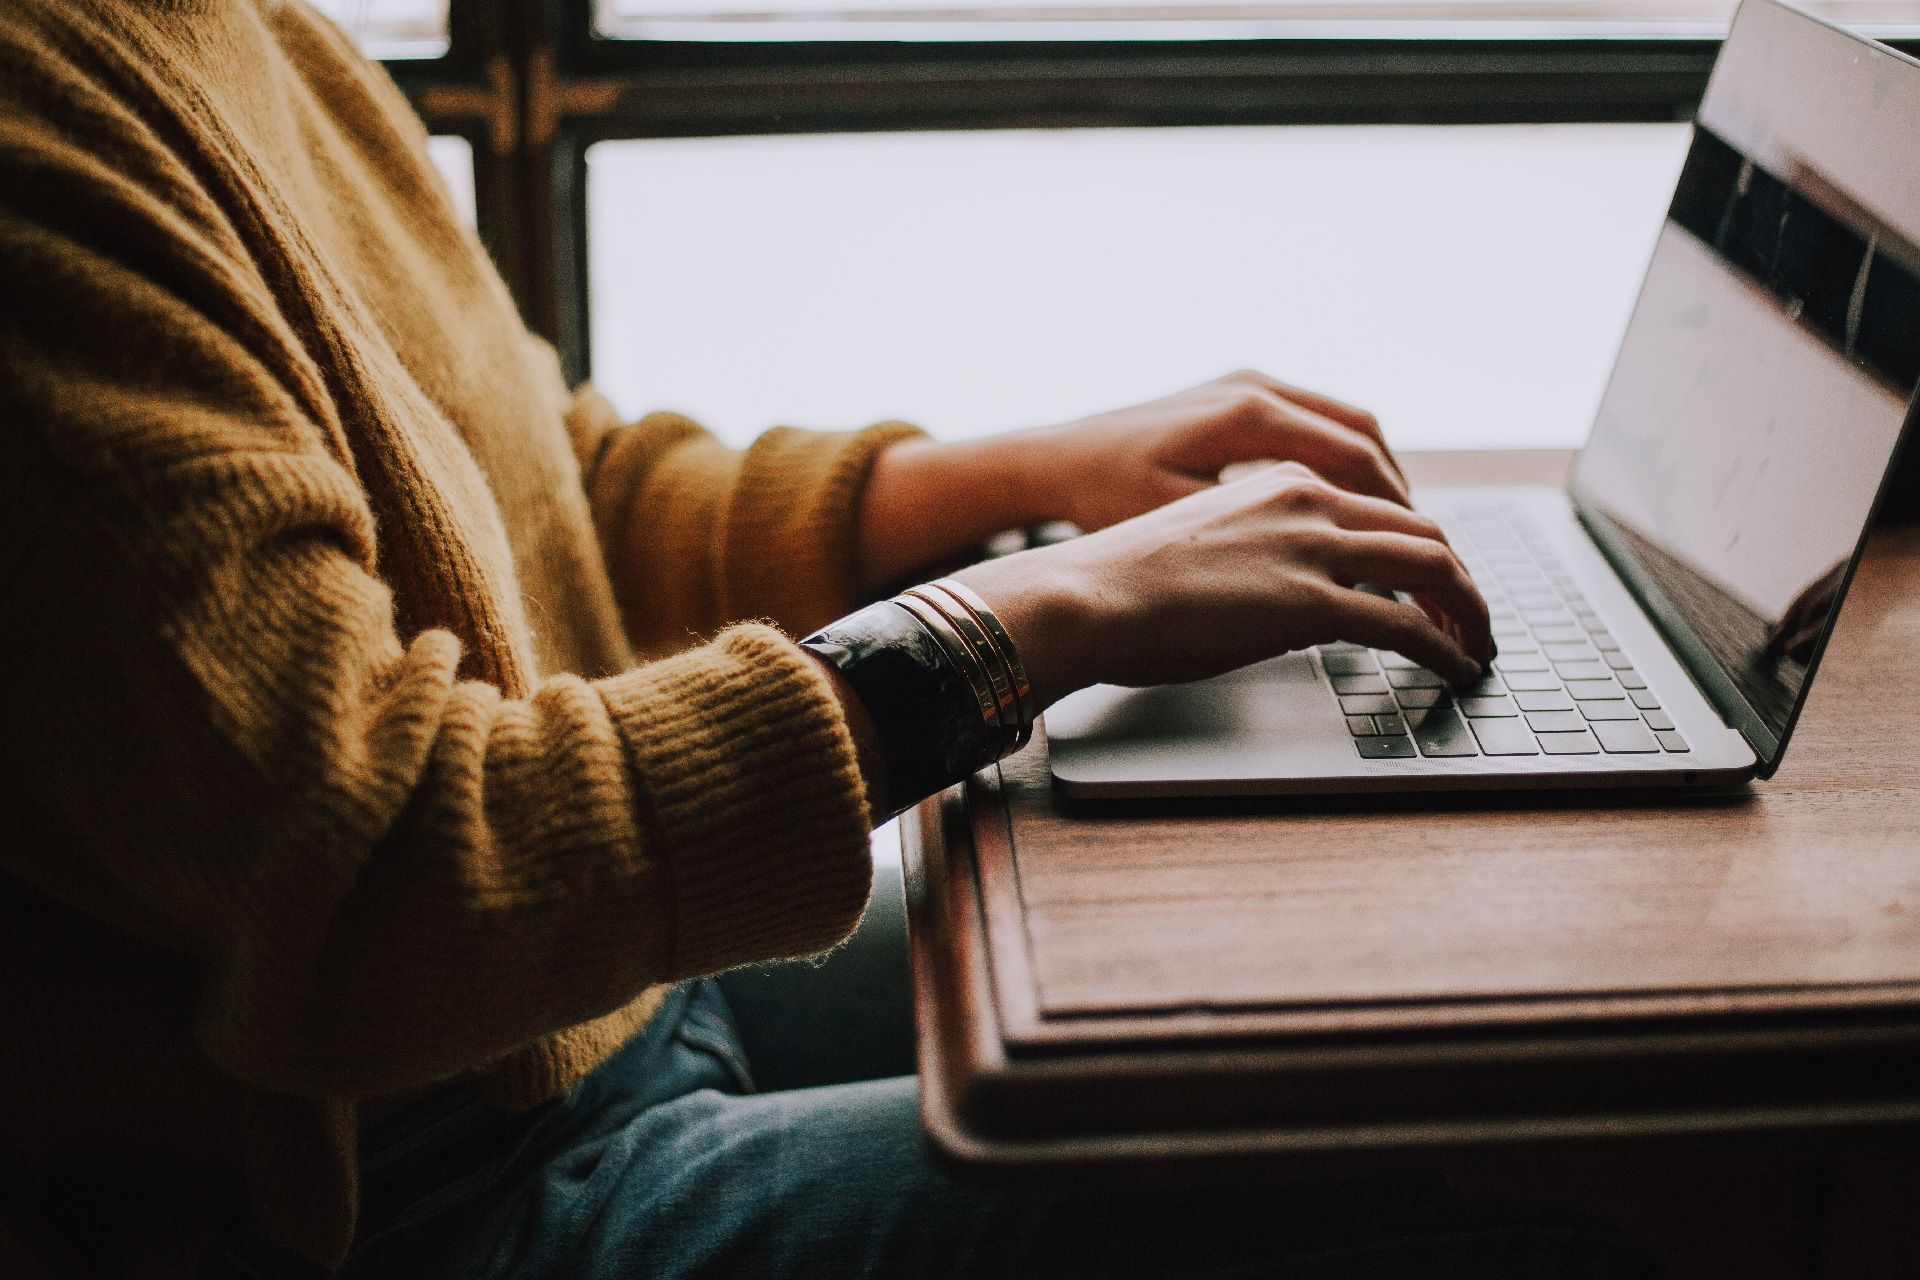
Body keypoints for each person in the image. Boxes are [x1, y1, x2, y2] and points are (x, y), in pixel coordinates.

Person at [0, 2, 1652, 1277]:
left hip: (591, 1005)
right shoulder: (37, 134)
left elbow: (533, 485)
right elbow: (383, 882)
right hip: (419, 1196)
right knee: (1461, 1185)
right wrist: (1029, 618)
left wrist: (1016, 478)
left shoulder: (231, 29)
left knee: (1359, 997)